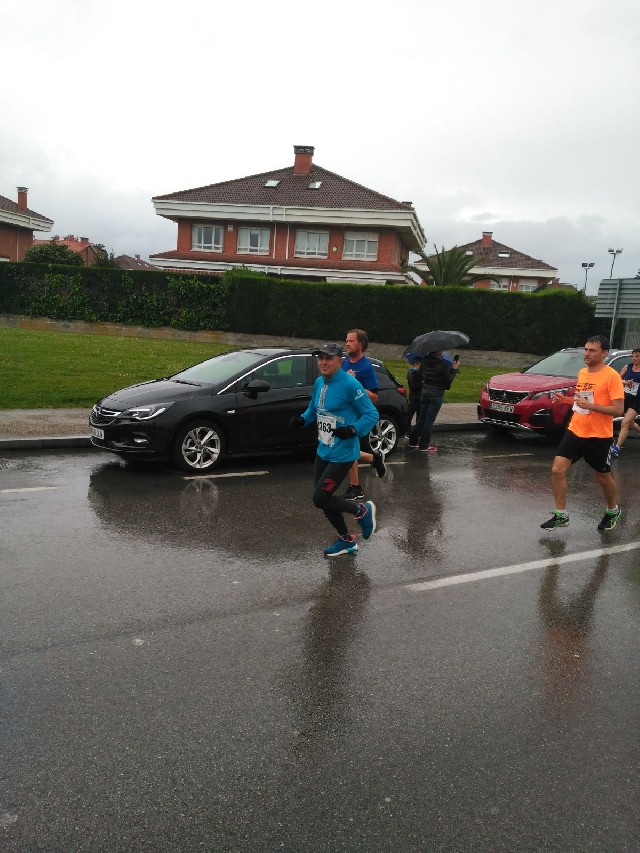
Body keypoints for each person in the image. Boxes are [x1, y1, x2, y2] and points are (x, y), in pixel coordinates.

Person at [290, 342, 379, 557]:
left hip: (343, 454)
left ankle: (361, 510)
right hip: (324, 450)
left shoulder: (350, 384)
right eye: (320, 358)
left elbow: (371, 414)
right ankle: (347, 540)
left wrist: (353, 429)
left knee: (321, 498)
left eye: (329, 358)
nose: (323, 362)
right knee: (324, 499)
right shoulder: (319, 382)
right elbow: (314, 409)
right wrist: (302, 420)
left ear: (340, 361)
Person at [540, 335, 624, 532]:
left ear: (604, 353)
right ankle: (561, 514)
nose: (586, 353)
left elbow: (618, 409)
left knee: (602, 476)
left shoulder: (612, 376)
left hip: (599, 435)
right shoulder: (583, 373)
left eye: (592, 350)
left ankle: (613, 510)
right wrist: (566, 401)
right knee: (557, 470)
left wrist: (591, 406)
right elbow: (583, 400)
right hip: (575, 430)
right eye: (586, 349)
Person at [340, 329, 386, 500]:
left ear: (361, 344)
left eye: (351, 341)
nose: (347, 344)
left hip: (358, 416)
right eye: (346, 340)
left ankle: (356, 487)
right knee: (345, 448)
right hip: (344, 412)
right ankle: (374, 458)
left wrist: (355, 383)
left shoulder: (366, 367)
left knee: (348, 448)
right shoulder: (344, 363)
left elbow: (374, 396)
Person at [408, 351, 459, 452]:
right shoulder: (443, 364)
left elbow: (421, 376)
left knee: (422, 418)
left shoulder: (424, 362)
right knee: (429, 421)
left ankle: (413, 441)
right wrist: (454, 369)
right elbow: (448, 381)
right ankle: (424, 445)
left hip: (425, 394)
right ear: (439, 351)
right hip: (436, 395)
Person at [611, 347, 640, 456]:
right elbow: (617, 380)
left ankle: (617, 448)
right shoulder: (627, 367)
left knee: (625, 423)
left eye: (637, 356)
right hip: (626, 398)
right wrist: (625, 382)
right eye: (633, 356)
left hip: (637, 400)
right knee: (631, 424)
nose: (634, 358)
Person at [406, 356, 423, 436]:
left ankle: (417, 432)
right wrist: (422, 383)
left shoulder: (417, 372)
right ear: (417, 364)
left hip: (418, 397)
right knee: (410, 415)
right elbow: (413, 386)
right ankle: (408, 431)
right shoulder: (412, 372)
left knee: (419, 416)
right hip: (414, 397)